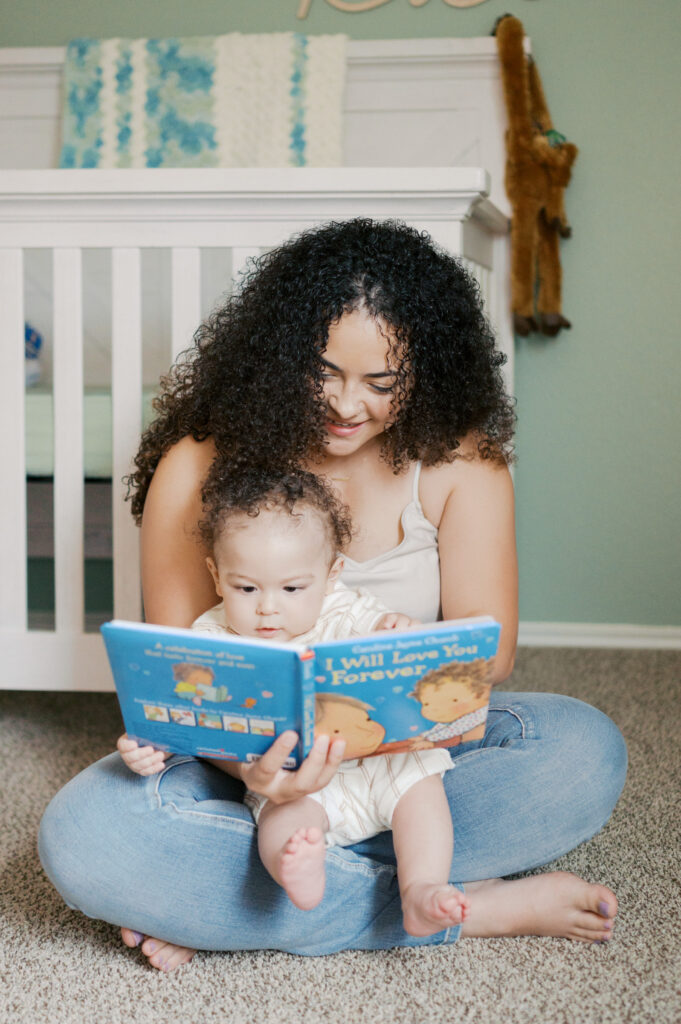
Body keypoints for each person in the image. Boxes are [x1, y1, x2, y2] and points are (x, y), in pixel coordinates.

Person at [38, 218, 627, 973]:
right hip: (237, 772)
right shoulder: (197, 464)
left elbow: (490, 655)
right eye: (325, 373)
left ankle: (220, 903)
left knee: (584, 752)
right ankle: (462, 906)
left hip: (407, 758)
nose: (349, 405)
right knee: (83, 835)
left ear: (426, 373)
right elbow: (184, 680)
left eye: (382, 384)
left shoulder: (461, 463)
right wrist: (254, 773)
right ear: (278, 356)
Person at [118, 468, 469, 935]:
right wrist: (148, 744)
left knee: (422, 788)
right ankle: (298, 867)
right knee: (280, 822)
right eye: (246, 588)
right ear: (216, 576)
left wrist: (398, 631)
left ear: (332, 574)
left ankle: (421, 889)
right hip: (294, 785)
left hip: (381, 764)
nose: (268, 607)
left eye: (291, 588)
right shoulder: (211, 640)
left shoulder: (345, 607)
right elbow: (186, 715)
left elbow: (387, 641)